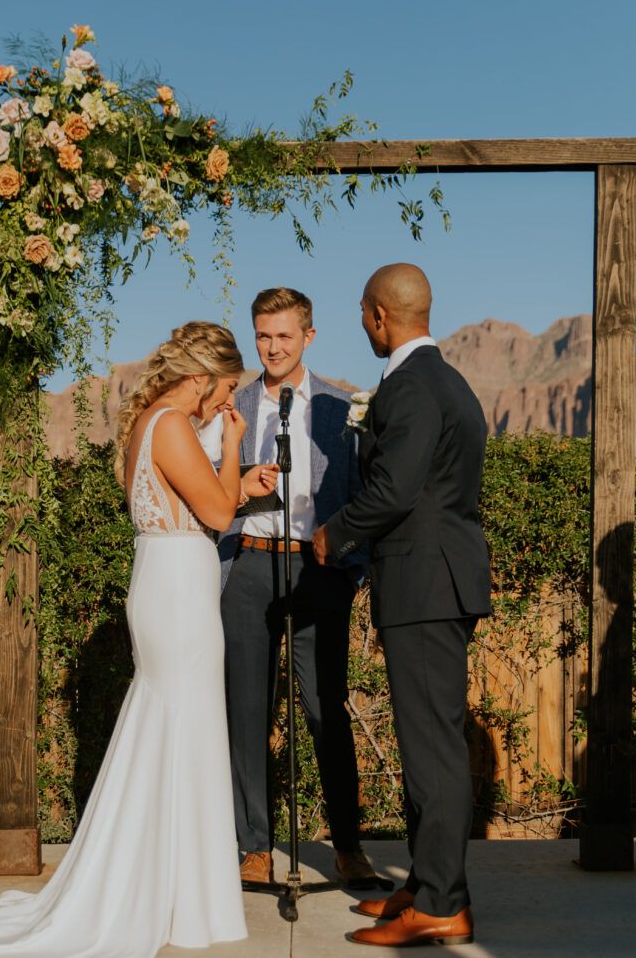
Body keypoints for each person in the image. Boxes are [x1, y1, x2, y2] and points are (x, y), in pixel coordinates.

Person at [0, 321, 277, 958]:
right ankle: (179, 897)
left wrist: (237, 485)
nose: (228, 402)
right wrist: (233, 453)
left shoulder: (153, 425)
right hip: (179, 589)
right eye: (224, 390)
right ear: (198, 379)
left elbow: (187, 504)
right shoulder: (170, 424)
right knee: (182, 724)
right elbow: (215, 516)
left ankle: (171, 887)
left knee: (171, 726)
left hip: (166, 578)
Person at [313, 264, 491, 948]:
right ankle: (424, 882)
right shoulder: (444, 380)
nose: (362, 324)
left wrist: (334, 532)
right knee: (429, 742)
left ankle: (443, 904)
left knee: (432, 750)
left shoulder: (412, 387)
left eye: (362, 314)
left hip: (424, 583)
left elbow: (393, 490)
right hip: (437, 578)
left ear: (379, 315)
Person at [208, 287, 379, 887]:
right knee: (247, 711)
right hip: (248, 566)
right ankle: (252, 847)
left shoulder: (344, 404)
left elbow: (365, 493)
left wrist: (350, 571)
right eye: (262, 336)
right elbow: (203, 487)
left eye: (283, 335)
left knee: (324, 710)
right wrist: (240, 488)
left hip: (318, 569)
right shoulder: (234, 403)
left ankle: (349, 847)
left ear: (308, 336)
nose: (272, 347)